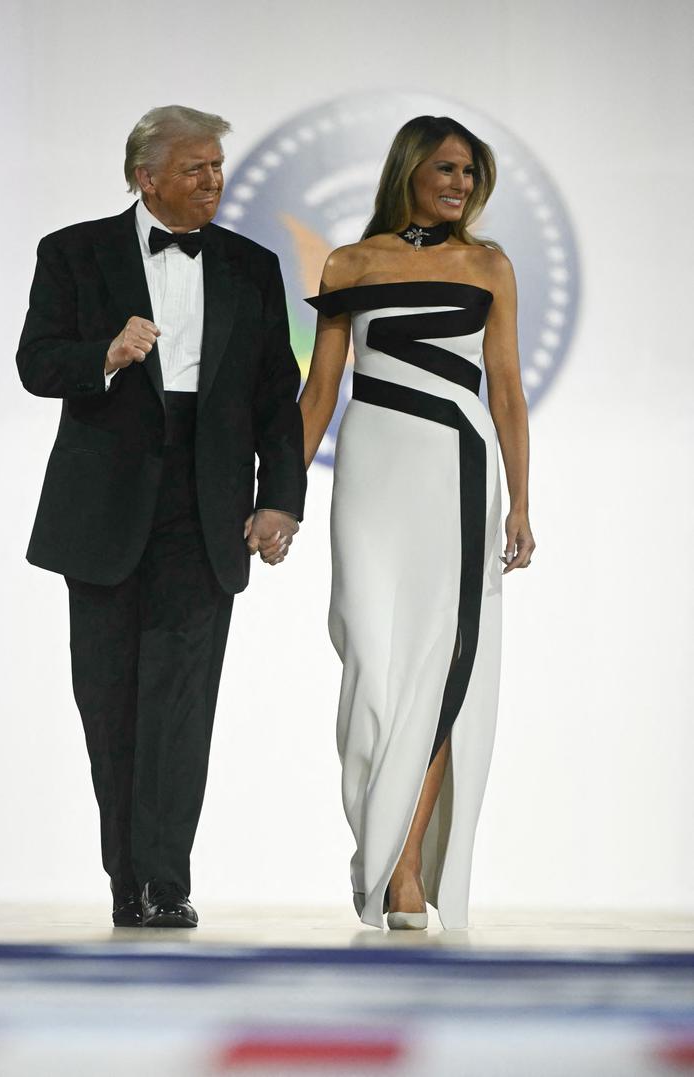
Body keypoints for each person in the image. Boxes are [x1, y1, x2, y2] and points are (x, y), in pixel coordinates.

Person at [16, 105, 306, 929]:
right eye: (197, 168)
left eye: (218, 165)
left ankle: (167, 879)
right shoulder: (74, 251)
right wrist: (102, 356)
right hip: (104, 505)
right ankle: (126, 881)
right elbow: (37, 361)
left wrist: (279, 496)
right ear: (147, 177)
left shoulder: (252, 266)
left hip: (205, 503)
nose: (215, 180)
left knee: (181, 702)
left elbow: (273, 396)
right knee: (110, 703)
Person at [301, 116, 535, 931]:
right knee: (369, 659)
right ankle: (381, 840)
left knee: (441, 669)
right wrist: (282, 495)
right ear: (409, 167)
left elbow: (505, 386)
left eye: (471, 172)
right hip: (369, 476)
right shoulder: (350, 264)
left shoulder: (489, 264)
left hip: (459, 474)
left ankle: (403, 868)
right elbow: (320, 393)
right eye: (447, 167)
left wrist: (524, 502)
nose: (461, 183)